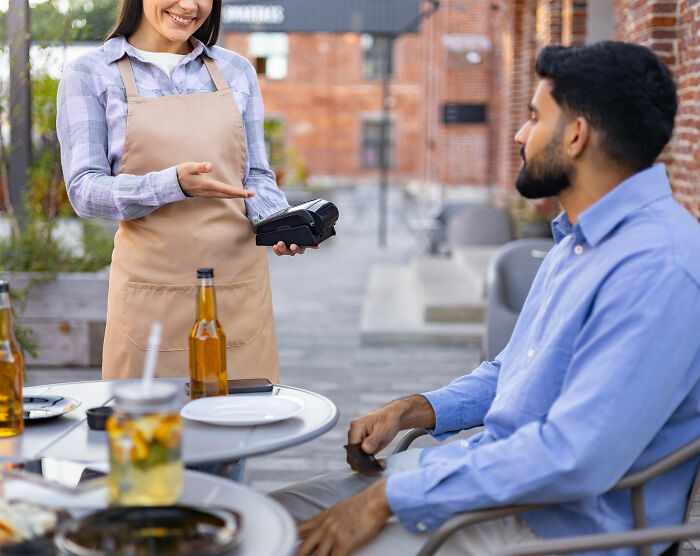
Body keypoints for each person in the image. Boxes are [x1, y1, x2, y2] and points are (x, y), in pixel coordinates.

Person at [271, 41, 700, 556]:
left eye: (535, 118)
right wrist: (417, 409)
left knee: (279, 545)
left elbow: (573, 458)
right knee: (262, 520)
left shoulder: (658, 268)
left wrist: (389, 496)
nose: (520, 134)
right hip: (489, 481)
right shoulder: (577, 242)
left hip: (557, 527)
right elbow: (515, 372)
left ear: (576, 136)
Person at [56, 0, 311, 381]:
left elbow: (256, 176)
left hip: (236, 292)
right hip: (149, 300)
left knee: (243, 432)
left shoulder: (236, 70)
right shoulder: (90, 73)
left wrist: (279, 223)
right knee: (152, 435)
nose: (189, 5)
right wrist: (171, 185)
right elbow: (83, 190)